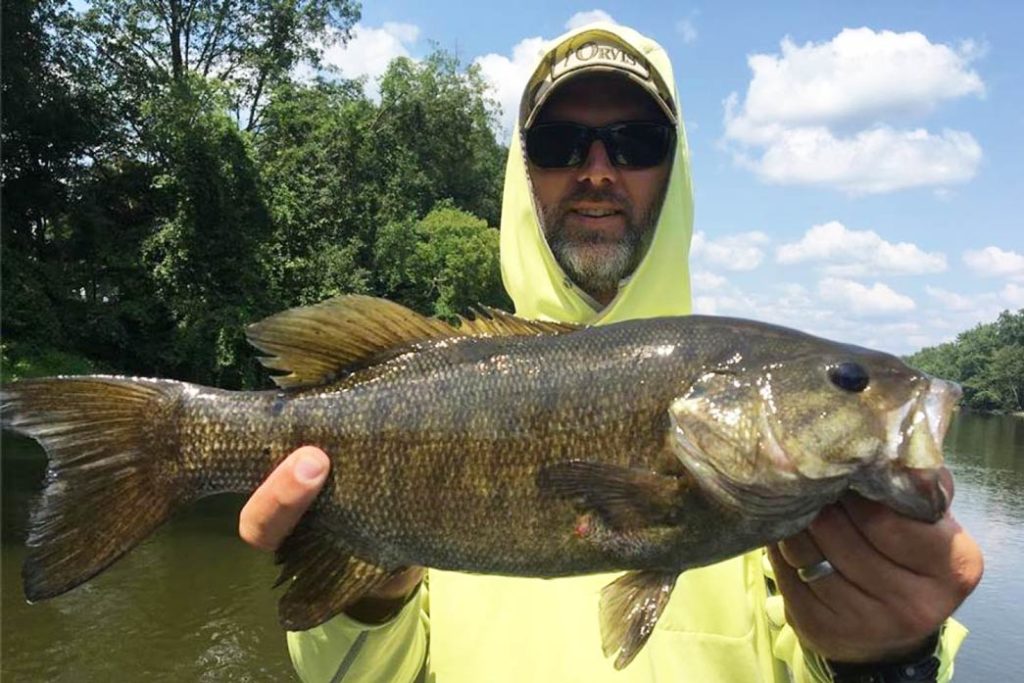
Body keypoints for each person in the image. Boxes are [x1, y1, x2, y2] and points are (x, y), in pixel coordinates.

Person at [238, 23, 983, 682]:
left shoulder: (798, 502)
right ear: (521, 169)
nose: (598, 169)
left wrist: (889, 659)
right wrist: (369, 585)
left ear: (676, 168)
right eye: (560, 143)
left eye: (636, 143)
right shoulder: (443, 370)